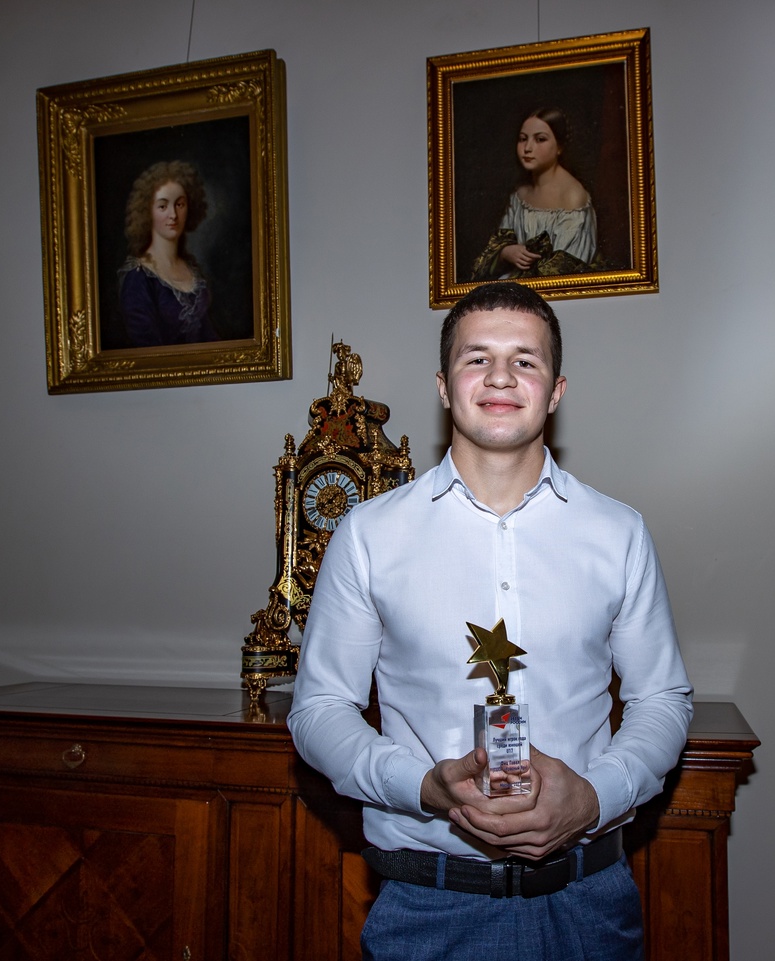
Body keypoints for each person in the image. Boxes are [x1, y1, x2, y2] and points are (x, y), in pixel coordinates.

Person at [287, 281, 693, 961]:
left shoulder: (618, 533)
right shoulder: (369, 536)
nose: (501, 376)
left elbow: (663, 699)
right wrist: (423, 786)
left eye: (525, 360)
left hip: (589, 902)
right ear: (443, 387)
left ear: (556, 391)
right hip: (429, 907)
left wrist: (594, 798)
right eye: (477, 358)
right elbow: (319, 710)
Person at [470, 108, 600, 280]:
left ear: (559, 146)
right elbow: (499, 241)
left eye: (540, 139)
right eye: (523, 139)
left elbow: (567, 268)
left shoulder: (572, 196)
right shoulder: (520, 194)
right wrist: (506, 252)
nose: (527, 148)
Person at [117, 160, 216, 347]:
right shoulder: (139, 278)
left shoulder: (193, 272)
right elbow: (147, 348)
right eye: (163, 206)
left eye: (180, 204)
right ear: (147, 211)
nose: (173, 215)